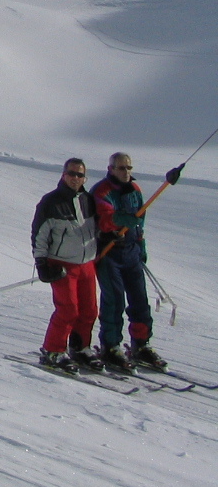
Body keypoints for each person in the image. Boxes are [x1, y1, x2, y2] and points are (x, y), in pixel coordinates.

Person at [91, 152, 165, 372]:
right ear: (111, 168)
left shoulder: (135, 190)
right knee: (114, 300)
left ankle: (141, 344)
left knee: (140, 300)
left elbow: (139, 223)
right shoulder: (102, 191)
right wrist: (121, 220)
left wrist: (141, 248)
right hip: (109, 251)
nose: (126, 172)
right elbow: (105, 219)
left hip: (131, 251)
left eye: (129, 168)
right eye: (121, 168)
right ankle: (110, 346)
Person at [30, 158, 101, 374]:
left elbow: (97, 227)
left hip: (86, 263)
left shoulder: (88, 199)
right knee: (68, 309)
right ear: (63, 174)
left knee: (89, 310)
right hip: (62, 264)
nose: (76, 179)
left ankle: (80, 348)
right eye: (72, 174)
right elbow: (39, 235)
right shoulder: (50, 202)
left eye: (80, 175)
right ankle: (53, 350)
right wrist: (41, 263)